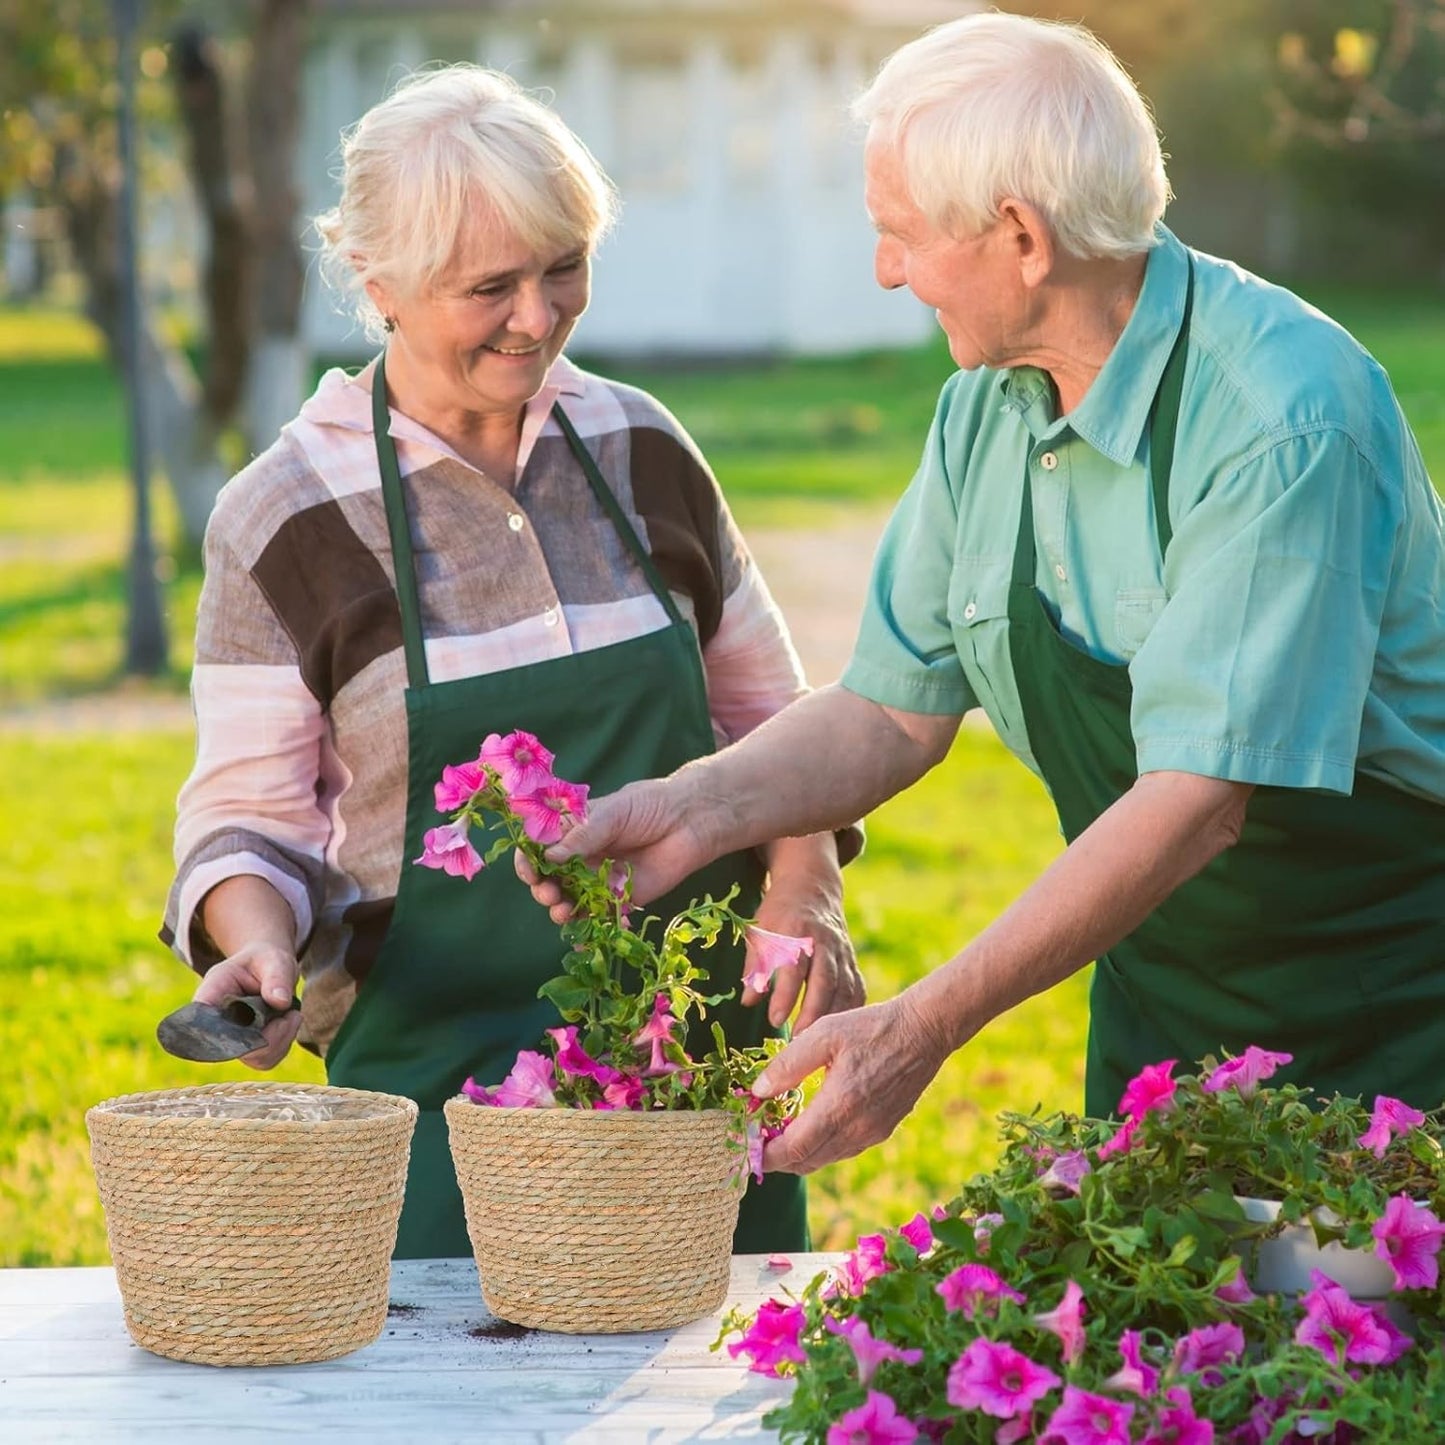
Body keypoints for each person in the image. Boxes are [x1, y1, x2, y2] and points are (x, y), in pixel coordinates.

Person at [530, 12, 1445, 1177]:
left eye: (899, 235)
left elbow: (1198, 802)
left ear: (1019, 235)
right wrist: (696, 808)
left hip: (1396, 1004)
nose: (885, 270)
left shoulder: (1280, 418)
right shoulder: (988, 404)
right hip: (1164, 999)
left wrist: (920, 1027)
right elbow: (887, 711)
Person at [160, 64, 863, 1257]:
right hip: (440, 1105)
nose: (537, 317)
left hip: (691, 1079)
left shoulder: (640, 444)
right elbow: (246, 822)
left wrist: (803, 893)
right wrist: (257, 942)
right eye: (488, 285)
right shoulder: (283, 515)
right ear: (376, 283)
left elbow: (777, 727)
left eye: (562, 267)